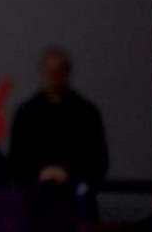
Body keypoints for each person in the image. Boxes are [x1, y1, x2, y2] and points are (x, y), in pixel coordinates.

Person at [9, 46, 108, 231]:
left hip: (75, 201)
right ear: (41, 73)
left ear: (67, 73)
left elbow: (98, 160)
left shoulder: (86, 114)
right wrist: (40, 173)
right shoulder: (26, 114)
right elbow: (16, 160)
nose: (53, 76)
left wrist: (69, 175)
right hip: (36, 203)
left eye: (58, 71)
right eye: (48, 71)